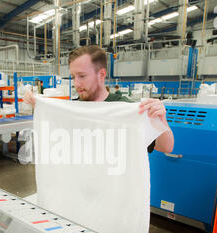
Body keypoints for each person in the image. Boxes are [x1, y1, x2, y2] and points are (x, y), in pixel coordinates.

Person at [24, 45, 174, 153]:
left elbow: (165, 147)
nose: (76, 83)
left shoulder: (124, 108)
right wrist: (39, 105)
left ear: (101, 74)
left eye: (82, 76)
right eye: (73, 77)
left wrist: (161, 119)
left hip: (112, 192)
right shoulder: (73, 108)